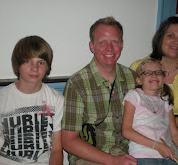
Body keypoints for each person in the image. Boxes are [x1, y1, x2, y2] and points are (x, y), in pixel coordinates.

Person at [130, 16, 178, 164]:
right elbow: (129, 112)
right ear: (160, 39)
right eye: (170, 35)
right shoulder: (140, 67)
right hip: (148, 144)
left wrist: (170, 124)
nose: (176, 42)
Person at [62, 16, 137, 165]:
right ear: (92, 46)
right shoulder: (77, 84)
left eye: (114, 42)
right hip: (89, 157)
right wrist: (113, 161)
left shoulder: (133, 78)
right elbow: (69, 141)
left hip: (129, 153)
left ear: (121, 45)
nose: (109, 48)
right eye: (102, 42)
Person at [0, 36, 64, 165]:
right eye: (28, 61)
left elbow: (56, 149)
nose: (35, 68)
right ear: (18, 64)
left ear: (47, 67)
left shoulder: (56, 100)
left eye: (41, 62)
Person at [122, 58, 178, 165]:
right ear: (139, 80)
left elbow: (175, 134)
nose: (154, 75)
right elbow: (126, 131)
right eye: (148, 73)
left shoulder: (165, 100)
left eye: (158, 72)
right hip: (143, 155)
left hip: (170, 156)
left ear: (164, 78)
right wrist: (158, 146)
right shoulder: (134, 95)